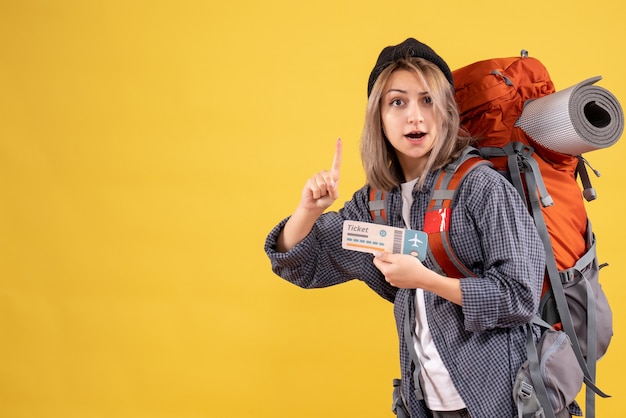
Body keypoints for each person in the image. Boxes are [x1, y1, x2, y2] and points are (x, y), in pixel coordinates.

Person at [264, 38, 546, 417]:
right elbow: (302, 262)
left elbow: (518, 296)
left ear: (447, 110)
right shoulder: (378, 202)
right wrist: (308, 211)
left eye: (428, 100)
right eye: (398, 102)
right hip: (426, 403)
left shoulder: (482, 188)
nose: (415, 116)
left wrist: (427, 279)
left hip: (500, 399)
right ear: (378, 115)